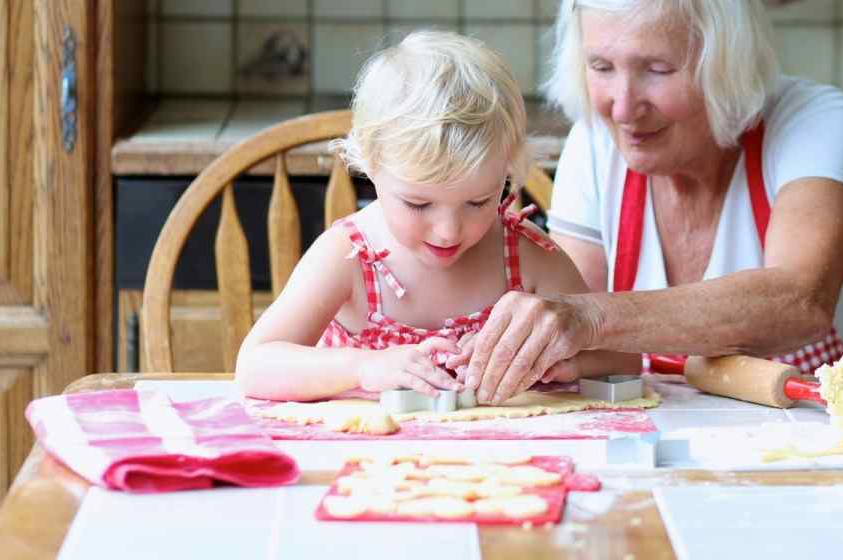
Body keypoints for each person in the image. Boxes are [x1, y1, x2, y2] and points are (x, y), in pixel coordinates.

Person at [460, 0, 843, 405]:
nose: (622, 107)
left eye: (658, 69)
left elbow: (799, 301)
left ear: (728, 59)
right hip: (657, 427)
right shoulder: (596, 143)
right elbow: (572, 328)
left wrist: (592, 318)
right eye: (601, 67)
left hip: (827, 440)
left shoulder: (810, 120)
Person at [236, 31, 631, 402]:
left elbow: (623, 358)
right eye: (418, 204)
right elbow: (255, 366)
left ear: (507, 172)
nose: (448, 231)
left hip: (494, 462)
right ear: (370, 166)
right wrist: (364, 367)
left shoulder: (526, 254)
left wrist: (556, 361)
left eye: (478, 202)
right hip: (368, 459)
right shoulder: (349, 257)